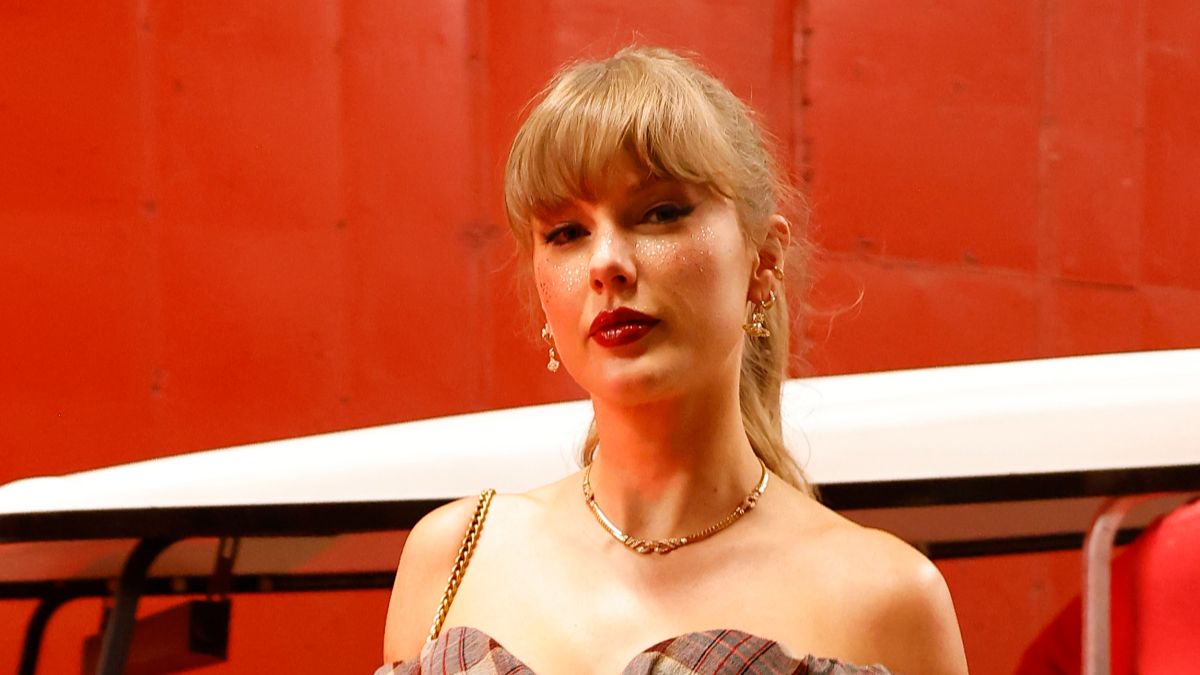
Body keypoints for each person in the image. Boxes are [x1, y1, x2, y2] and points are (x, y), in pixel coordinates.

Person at [380, 46, 969, 675]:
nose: (606, 262)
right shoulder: (453, 557)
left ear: (763, 261)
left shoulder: (887, 597)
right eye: (566, 233)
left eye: (660, 214)